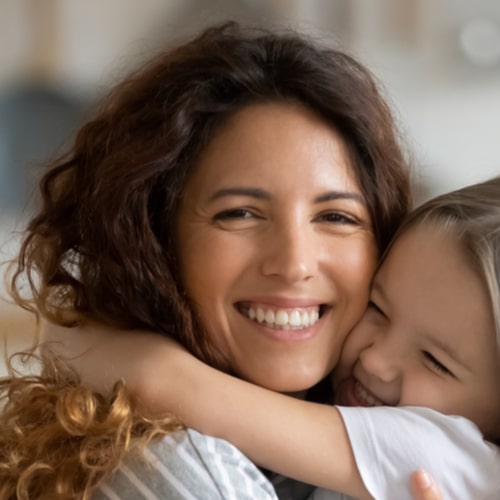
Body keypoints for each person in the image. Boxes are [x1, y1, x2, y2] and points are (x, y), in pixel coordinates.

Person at [0, 21, 440, 499]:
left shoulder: (383, 427)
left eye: (336, 216)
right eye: (239, 213)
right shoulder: (190, 474)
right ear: (154, 238)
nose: (294, 264)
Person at [105, 176, 500, 499]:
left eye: (435, 361)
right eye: (377, 308)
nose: (375, 360)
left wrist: (68, 332)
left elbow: (165, 383)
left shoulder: (446, 454)